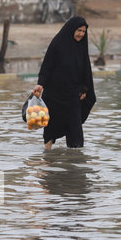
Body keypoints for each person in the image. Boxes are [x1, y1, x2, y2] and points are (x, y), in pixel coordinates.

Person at [33, 16, 96, 149]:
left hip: (73, 95)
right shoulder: (58, 43)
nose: (81, 34)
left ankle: (75, 163)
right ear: (71, 29)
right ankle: (48, 159)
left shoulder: (81, 47)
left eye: (84, 31)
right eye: (78, 30)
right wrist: (40, 84)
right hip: (54, 94)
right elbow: (47, 66)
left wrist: (85, 89)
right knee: (50, 129)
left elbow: (86, 71)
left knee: (76, 133)